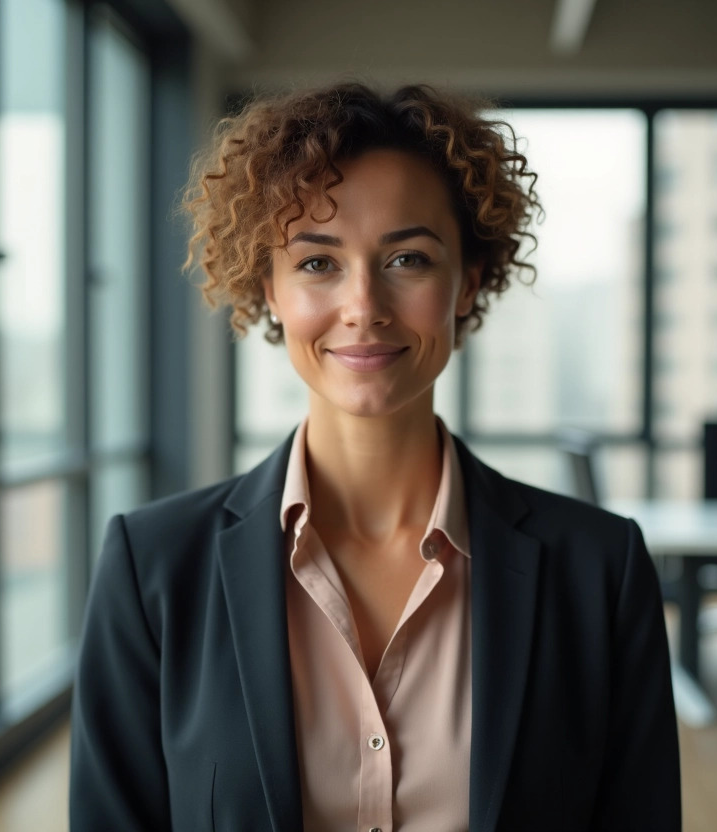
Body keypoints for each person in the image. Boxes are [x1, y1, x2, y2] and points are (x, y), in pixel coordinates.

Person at [70, 82, 680, 832]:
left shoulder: (600, 570)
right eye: (318, 265)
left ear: (470, 282)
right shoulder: (153, 568)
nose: (364, 305)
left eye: (409, 259)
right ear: (269, 289)